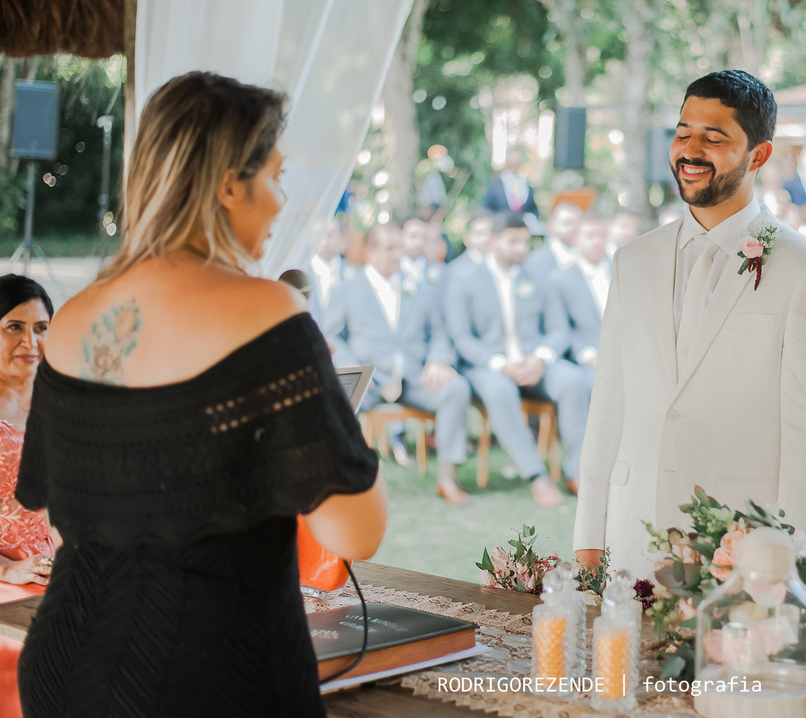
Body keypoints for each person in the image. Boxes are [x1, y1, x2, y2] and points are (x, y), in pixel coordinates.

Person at [15, 72, 387, 718]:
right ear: (227, 183)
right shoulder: (269, 311)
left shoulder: (73, 320)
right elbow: (356, 530)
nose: (281, 199)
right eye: (276, 174)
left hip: (66, 665)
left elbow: (55, 514)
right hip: (209, 675)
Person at [573, 70, 806, 577]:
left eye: (713, 138)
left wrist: (787, 558)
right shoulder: (632, 260)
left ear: (759, 156)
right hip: (632, 534)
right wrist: (590, 535)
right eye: (682, 132)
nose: (690, 149)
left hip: (740, 543)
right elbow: (609, 401)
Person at [443, 213, 592, 505]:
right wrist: (501, 364)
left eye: (525, 242)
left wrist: (541, 358)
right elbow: (461, 338)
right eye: (513, 242)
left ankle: (577, 473)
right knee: (500, 390)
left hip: (536, 363)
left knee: (574, 381)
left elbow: (558, 330)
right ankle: (537, 475)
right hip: (488, 367)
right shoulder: (464, 280)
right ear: (494, 241)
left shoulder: (540, 278)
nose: (521, 249)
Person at [324, 223, 471, 501]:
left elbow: (439, 332)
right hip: (368, 378)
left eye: (399, 248)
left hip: (416, 378)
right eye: (390, 249)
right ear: (369, 251)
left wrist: (438, 360)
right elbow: (332, 336)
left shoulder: (420, 287)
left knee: (456, 389)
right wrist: (352, 366)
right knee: (336, 398)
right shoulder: (346, 290)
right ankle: (341, 482)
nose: (397, 255)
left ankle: (447, 478)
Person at [0, 276, 59, 718]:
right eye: (13, 327)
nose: (30, 341)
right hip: (9, 582)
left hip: (58, 568)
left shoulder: (61, 401)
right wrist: (9, 568)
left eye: (41, 327)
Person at [552, 214, 611, 368]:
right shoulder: (561, 280)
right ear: (576, 239)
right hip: (588, 360)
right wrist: (588, 356)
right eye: (590, 236)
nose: (597, 242)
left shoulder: (624, 270)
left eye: (602, 236)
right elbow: (561, 327)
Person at [524, 201, 582, 283]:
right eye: (567, 223)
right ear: (551, 226)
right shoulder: (535, 263)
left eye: (578, 223)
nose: (574, 228)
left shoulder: (589, 258)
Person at [482, 150, 539, 219]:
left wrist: (529, 218)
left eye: (517, 162)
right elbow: (486, 210)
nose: (514, 165)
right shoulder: (494, 185)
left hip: (521, 228)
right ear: (508, 162)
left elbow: (534, 212)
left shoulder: (527, 188)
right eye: (512, 162)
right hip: (500, 227)